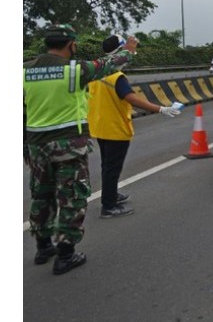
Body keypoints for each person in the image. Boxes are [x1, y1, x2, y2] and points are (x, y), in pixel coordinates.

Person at [23, 24, 135, 275]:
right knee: (71, 197)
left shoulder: (24, 71)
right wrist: (129, 49)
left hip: (37, 145)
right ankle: (66, 255)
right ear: (71, 45)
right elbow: (109, 64)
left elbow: (21, 110)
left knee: (41, 195)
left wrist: (25, 147)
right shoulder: (75, 71)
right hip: (69, 146)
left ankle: (43, 247)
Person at [87, 35, 184, 218]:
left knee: (107, 166)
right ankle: (108, 206)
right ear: (120, 52)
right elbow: (132, 99)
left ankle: (112, 194)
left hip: (100, 127)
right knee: (112, 168)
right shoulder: (117, 77)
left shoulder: (96, 73)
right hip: (115, 129)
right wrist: (161, 109)